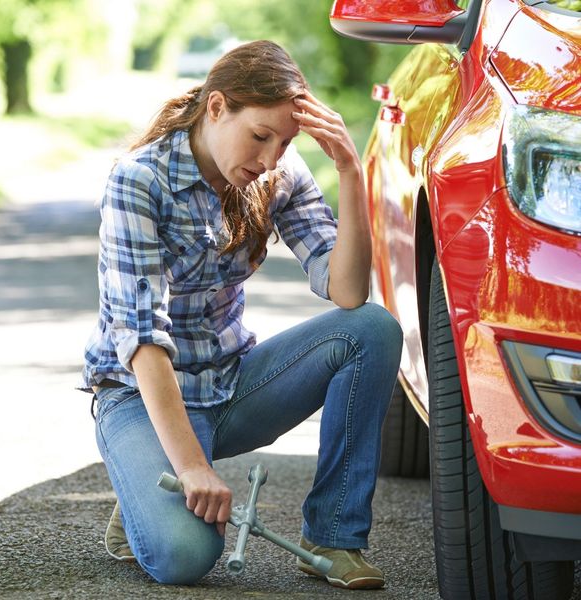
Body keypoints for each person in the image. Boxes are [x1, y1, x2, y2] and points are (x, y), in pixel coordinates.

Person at [81, 39, 402, 590]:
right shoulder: (138, 180)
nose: (270, 158)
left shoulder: (277, 173)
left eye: (285, 141)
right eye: (260, 136)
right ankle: (147, 483)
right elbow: (142, 339)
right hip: (141, 394)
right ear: (217, 107)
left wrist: (350, 171)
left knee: (371, 329)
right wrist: (192, 468)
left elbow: (346, 292)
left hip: (231, 388)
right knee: (186, 556)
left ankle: (333, 536)